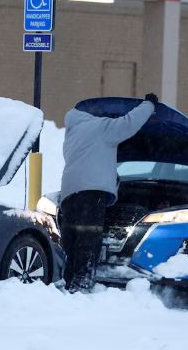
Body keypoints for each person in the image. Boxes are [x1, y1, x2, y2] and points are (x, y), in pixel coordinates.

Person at [59, 93, 158, 292]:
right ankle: (83, 283)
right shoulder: (101, 128)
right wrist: (149, 104)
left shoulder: (74, 130)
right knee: (89, 238)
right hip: (91, 192)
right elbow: (129, 123)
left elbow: (93, 158)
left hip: (70, 192)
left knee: (72, 239)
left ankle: (68, 281)